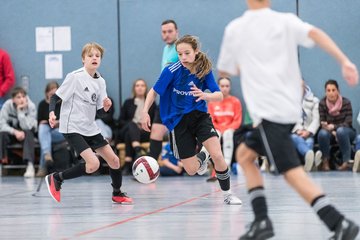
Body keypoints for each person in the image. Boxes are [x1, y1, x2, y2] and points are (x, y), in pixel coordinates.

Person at [217, 0, 359, 239]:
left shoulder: (236, 28)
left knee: (292, 173)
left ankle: (339, 223)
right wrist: (344, 61)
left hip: (269, 111)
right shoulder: (286, 21)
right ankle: (262, 221)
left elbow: (225, 70)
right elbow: (316, 34)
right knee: (244, 155)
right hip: (286, 109)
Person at [142, 35, 242, 205]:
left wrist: (205, 95)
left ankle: (228, 194)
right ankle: (203, 156)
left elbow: (218, 95)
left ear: (196, 51)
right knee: (191, 169)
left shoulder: (204, 71)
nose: (183, 58)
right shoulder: (171, 71)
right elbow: (153, 92)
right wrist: (145, 112)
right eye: (180, 54)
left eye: (187, 53)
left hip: (200, 117)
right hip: (178, 121)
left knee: (218, 155)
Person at [45, 42, 132, 204]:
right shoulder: (75, 76)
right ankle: (56, 178)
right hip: (72, 127)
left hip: (89, 127)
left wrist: (106, 106)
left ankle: (117, 193)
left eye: (97, 56)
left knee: (114, 160)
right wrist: (51, 112)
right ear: (83, 59)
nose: (94, 58)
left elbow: (100, 110)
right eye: (90, 55)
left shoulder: (101, 82)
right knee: (93, 164)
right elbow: (55, 97)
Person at [147, 19, 180, 161]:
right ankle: (151, 169)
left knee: (187, 133)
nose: (166, 35)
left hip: (179, 100)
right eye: (164, 32)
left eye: (170, 31)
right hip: (165, 99)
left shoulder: (181, 48)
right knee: (156, 131)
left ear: (177, 32)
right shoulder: (166, 49)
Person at [118, 78, 156, 175]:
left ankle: (128, 163)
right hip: (128, 128)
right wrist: (135, 125)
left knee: (128, 135)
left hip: (144, 132)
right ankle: (138, 149)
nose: (140, 88)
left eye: (142, 85)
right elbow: (120, 121)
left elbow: (155, 121)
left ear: (146, 88)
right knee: (131, 125)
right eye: (137, 85)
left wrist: (144, 125)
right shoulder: (128, 102)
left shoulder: (151, 104)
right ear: (134, 88)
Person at [315, 79, 356, 171]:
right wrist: (333, 131)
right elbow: (323, 122)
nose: (331, 93)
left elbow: (348, 123)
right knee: (322, 133)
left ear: (338, 91)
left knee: (341, 131)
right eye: (328, 90)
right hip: (330, 132)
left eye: (333, 90)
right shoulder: (322, 103)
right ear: (325, 92)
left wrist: (335, 128)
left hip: (347, 131)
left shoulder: (346, 102)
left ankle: (346, 162)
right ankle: (325, 161)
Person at [0, 87, 37, 177]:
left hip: (26, 134)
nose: (22, 99)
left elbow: (28, 127)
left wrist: (20, 112)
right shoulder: (7, 105)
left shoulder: (31, 106)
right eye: (18, 97)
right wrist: (15, 132)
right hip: (13, 134)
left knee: (28, 132)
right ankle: (1, 163)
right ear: (13, 99)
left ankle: (30, 166)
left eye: (23, 96)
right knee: (2, 133)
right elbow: (1, 124)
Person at [208, 77, 242, 166]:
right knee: (216, 135)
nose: (225, 88)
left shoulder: (235, 101)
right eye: (222, 86)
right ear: (218, 86)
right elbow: (210, 120)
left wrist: (226, 129)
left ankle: (227, 164)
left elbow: (237, 120)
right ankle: (217, 165)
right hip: (217, 129)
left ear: (230, 87)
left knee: (228, 134)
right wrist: (220, 129)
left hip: (230, 129)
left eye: (227, 86)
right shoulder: (212, 102)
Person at [36, 81, 65, 177]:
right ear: (46, 92)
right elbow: (39, 121)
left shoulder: (62, 104)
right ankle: (47, 155)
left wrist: (58, 122)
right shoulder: (42, 104)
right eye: (51, 92)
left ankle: (42, 167)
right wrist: (48, 122)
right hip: (46, 131)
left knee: (45, 137)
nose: (53, 94)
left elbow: (66, 120)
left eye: (55, 92)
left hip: (59, 132)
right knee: (43, 130)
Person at [291, 81, 320, 172]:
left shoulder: (315, 101)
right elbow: (289, 118)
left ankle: (309, 159)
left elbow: (316, 119)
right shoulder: (290, 101)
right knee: (296, 139)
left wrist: (308, 132)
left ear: (305, 86)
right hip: (295, 133)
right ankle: (312, 159)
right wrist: (297, 130)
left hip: (309, 132)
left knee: (309, 142)